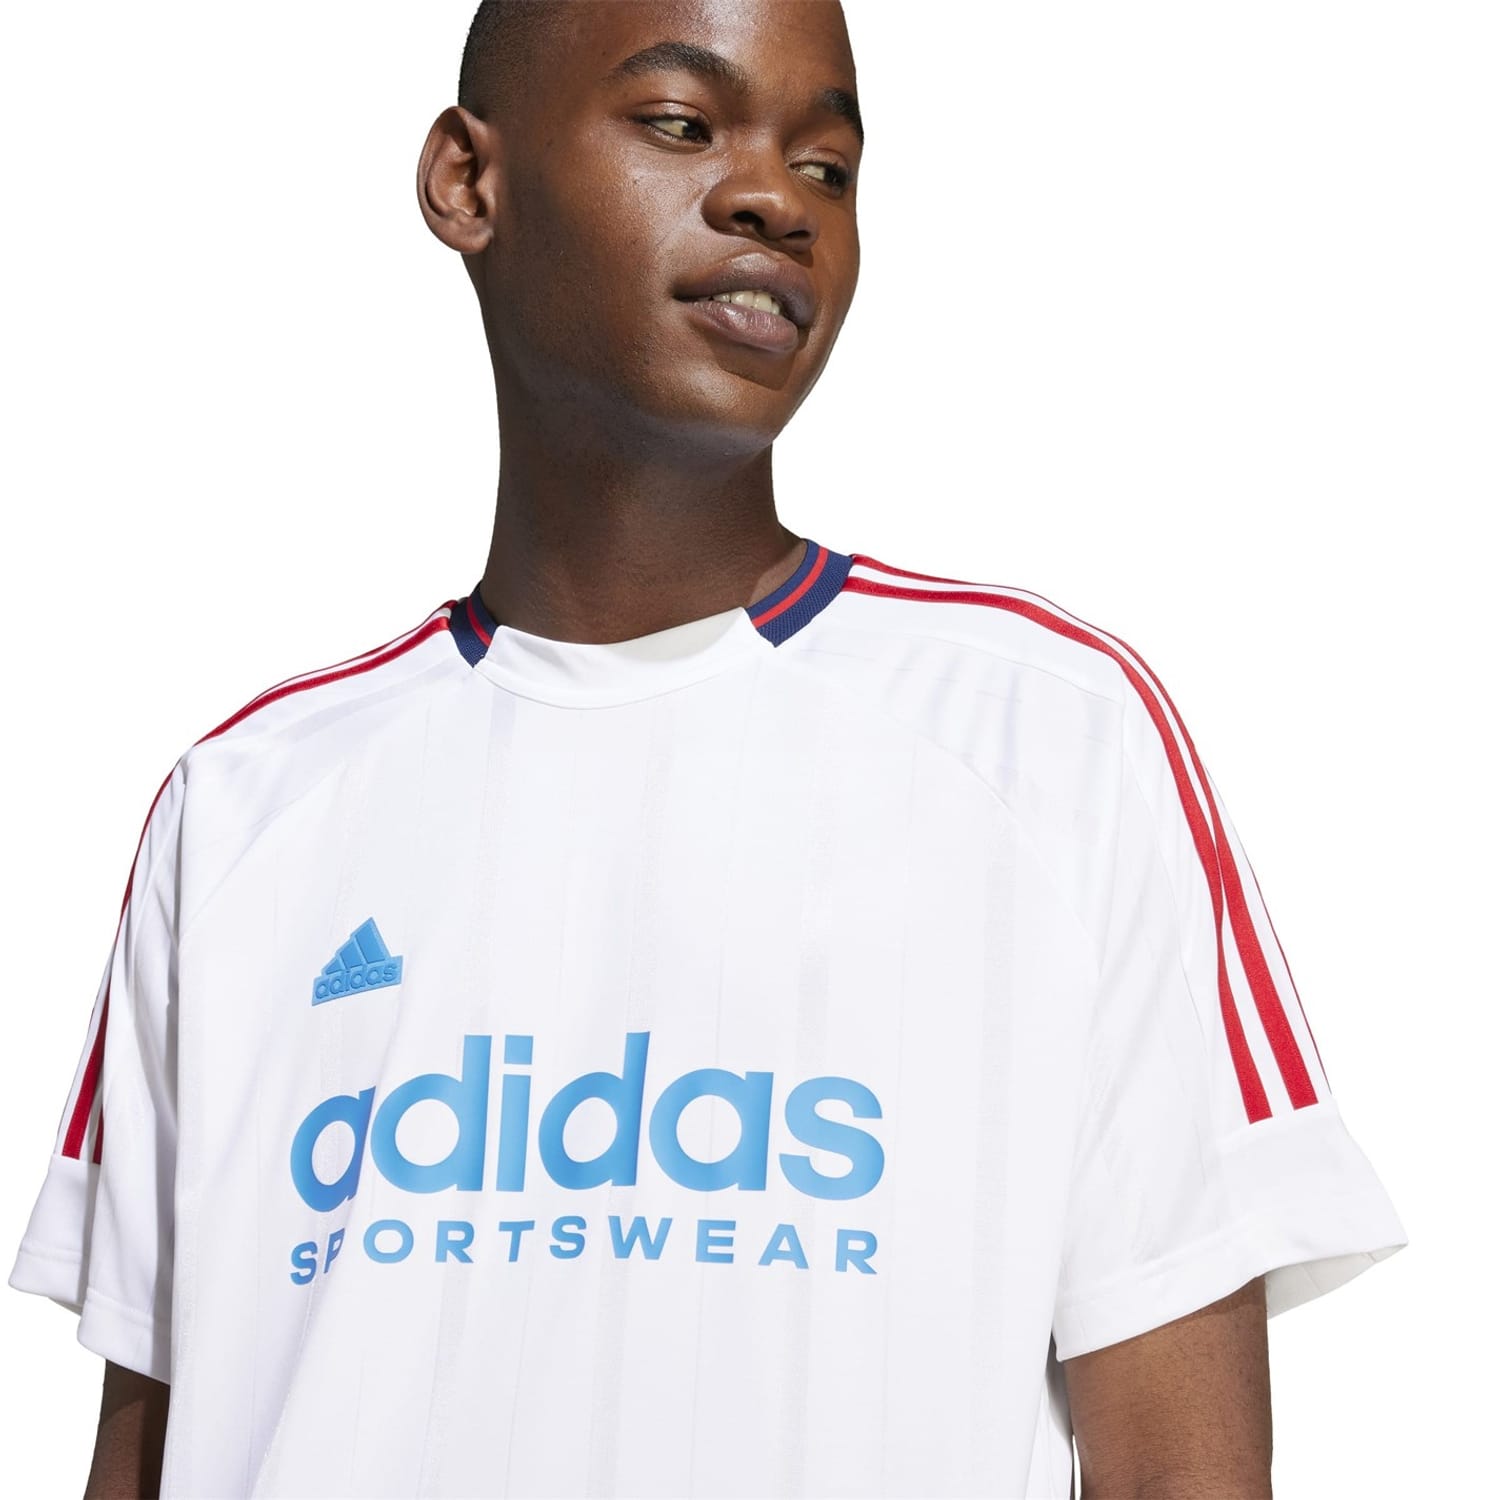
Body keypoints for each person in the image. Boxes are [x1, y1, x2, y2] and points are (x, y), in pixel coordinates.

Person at [10, 2, 1408, 1496]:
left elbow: (1181, 1463)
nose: (773, 200)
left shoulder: (1054, 740)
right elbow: (150, 1444)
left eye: (828, 167)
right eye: (683, 125)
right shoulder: (242, 804)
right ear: (469, 182)